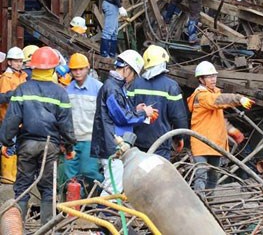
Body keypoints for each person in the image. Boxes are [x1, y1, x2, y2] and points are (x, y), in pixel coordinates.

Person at [0, 46, 76, 224]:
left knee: (22, 187)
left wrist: (5, 142)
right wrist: (69, 147)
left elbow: (11, 120)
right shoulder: (60, 93)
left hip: (26, 143)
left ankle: (18, 227)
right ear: (53, 69)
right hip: (51, 146)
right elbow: (66, 125)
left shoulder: (23, 90)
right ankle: (46, 227)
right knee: (48, 188)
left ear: (32, 67)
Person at [90, 49, 154, 196]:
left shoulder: (116, 87)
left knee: (115, 184)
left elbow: (120, 111)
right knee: (114, 187)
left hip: (113, 143)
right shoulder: (112, 88)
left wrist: (136, 110)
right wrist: (144, 113)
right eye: (134, 74)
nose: (133, 79)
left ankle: (105, 215)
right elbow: (122, 117)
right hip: (113, 145)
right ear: (126, 69)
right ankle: (104, 216)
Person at [187, 61, 254, 198]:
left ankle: (208, 201)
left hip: (214, 143)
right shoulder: (201, 96)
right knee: (201, 175)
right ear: (201, 79)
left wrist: (231, 130)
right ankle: (200, 202)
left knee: (214, 175)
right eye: (209, 77)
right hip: (201, 143)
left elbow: (217, 118)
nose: (213, 79)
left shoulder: (213, 93)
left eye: (214, 76)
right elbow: (217, 101)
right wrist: (238, 98)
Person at [129, 45, 188, 159]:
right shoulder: (171, 86)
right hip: (160, 143)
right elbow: (178, 116)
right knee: (158, 175)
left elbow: (128, 110)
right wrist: (180, 137)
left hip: (136, 141)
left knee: (138, 174)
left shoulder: (135, 84)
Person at [64, 53, 103, 186]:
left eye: (81, 69)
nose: (78, 72)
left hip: (90, 140)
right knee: (69, 176)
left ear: (88, 68)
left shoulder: (98, 88)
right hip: (72, 140)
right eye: (75, 69)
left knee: (89, 171)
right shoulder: (68, 90)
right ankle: (74, 205)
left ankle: (104, 191)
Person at [0, 47, 27, 122]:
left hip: (21, 119)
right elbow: (3, 99)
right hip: (9, 120)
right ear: (9, 62)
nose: (19, 64)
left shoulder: (23, 76)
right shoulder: (6, 78)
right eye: (16, 61)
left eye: (21, 61)